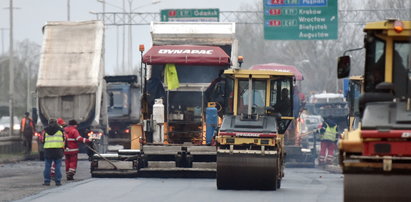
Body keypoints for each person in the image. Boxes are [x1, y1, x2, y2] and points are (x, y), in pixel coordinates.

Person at [41, 118, 65, 186]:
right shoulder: (61, 130)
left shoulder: (45, 130)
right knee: (58, 166)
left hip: (48, 150)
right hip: (58, 150)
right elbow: (64, 139)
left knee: (47, 166)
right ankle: (58, 181)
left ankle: (47, 181)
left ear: (49, 123)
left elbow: (42, 140)